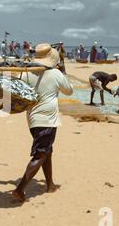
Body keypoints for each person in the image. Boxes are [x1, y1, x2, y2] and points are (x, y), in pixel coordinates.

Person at [12, 43, 73, 203]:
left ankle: (50, 184)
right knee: (40, 154)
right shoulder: (55, 74)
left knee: (47, 151)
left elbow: (18, 91)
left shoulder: (25, 73)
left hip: (33, 119)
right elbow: (69, 90)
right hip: (47, 119)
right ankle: (19, 189)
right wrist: (64, 70)